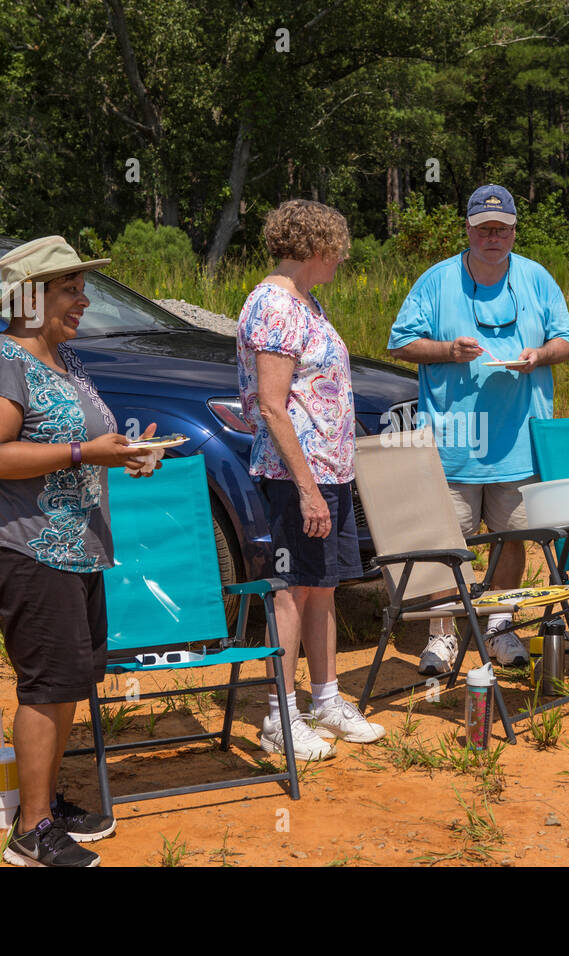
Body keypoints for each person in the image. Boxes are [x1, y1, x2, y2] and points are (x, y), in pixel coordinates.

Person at [0, 235, 161, 867]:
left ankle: (44, 799)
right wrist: (84, 454)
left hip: (76, 547)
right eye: (71, 288)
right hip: (24, 546)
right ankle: (32, 831)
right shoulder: (1, 359)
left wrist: (127, 455)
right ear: (32, 297)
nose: (84, 300)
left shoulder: (64, 361)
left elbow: (86, 443)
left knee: (69, 679)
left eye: (81, 287)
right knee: (46, 685)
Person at [388, 184, 569, 674]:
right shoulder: (436, 280)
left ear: (514, 230)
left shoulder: (536, 277)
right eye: (484, 228)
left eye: (503, 228)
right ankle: (443, 635)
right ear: (467, 229)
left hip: (520, 438)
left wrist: (540, 356)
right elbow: (401, 344)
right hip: (455, 440)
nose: (493, 237)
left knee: (512, 537)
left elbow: (566, 339)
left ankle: (499, 625)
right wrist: (448, 351)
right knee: (446, 541)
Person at [237, 198, 386, 763]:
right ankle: (280, 715)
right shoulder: (273, 306)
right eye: (338, 253)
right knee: (291, 590)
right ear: (316, 249)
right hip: (294, 473)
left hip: (329, 470)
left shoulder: (306, 301)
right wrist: (304, 487)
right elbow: (274, 407)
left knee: (322, 586)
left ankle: (325, 699)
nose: (341, 262)